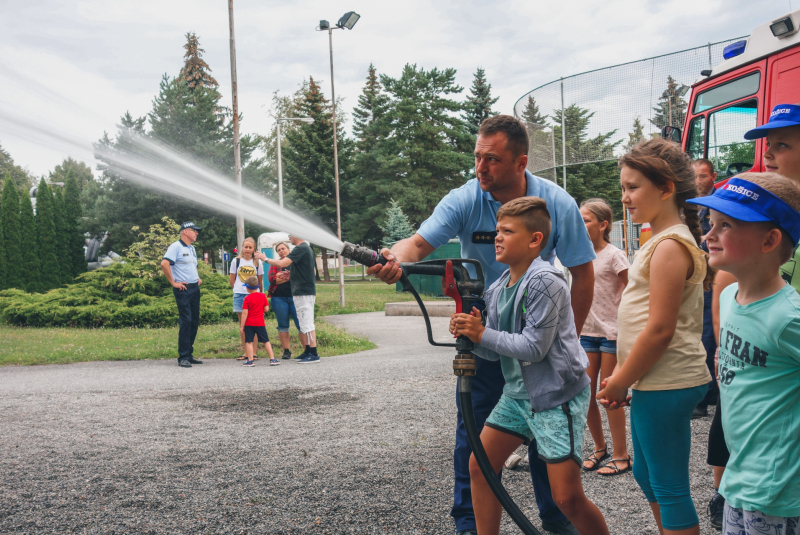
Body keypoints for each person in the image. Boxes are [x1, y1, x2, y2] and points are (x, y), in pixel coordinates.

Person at [368, 115, 596, 535]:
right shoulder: (464, 199)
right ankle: (469, 524)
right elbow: (417, 245)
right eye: (477, 157)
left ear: (520, 161)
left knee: (549, 441)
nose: (480, 168)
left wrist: (565, 343)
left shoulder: (556, 204)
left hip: (537, 336)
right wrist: (393, 260)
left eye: (492, 159)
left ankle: (557, 521)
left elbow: (583, 273)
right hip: (485, 331)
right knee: (473, 431)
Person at [450, 197, 609, 535]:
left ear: (535, 240)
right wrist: (474, 336)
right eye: (497, 231)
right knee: (480, 468)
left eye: (507, 231)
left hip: (555, 397)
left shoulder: (545, 281)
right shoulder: (497, 289)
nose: (497, 237)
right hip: (519, 395)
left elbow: (534, 348)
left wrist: (483, 334)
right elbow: (496, 354)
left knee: (567, 499)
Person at [596, 138, 712, 535]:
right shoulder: (657, 242)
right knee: (648, 476)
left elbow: (660, 330)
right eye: (623, 187)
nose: (625, 197)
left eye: (633, 187)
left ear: (666, 189)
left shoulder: (669, 246)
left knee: (668, 485)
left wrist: (623, 377)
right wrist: (632, 377)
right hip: (654, 380)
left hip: (669, 380)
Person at [702, 102, 800, 529]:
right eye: (710, 221)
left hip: (777, 488)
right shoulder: (729, 300)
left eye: (726, 225)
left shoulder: (788, 318)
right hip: (739, 478)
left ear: (769, 242)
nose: (708, 234)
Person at [578, 199, 631, 477]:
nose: (580, 224)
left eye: (585, 219)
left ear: (602, 225)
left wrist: (623, 316)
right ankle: (600, 448)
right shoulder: (579, 255)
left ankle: (622, 456)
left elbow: (633, 289)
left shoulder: (614, 255)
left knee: (608, 395)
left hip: (611, 335)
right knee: (584, 393)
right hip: (587, 334)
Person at [258, 235, 319, 364]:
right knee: (303, 321)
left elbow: (283, 263)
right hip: (301, 291)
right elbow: (308, 271)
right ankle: (307, 350)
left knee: (307, 322)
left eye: (291, 235)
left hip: (304, 292)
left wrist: (265, 259)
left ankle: (313, 353)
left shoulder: (301, 248)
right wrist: (291, 274)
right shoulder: (304, 248)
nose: (289, 237)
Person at [692, 158, 720, 419]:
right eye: (694, 176)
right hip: (696, 276)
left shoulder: (718, 202)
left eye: (702, 176)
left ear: (713, 176)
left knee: (709, 332)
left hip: (713, 276)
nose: (698, 181)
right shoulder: (689, 204)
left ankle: (704, 397)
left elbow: (719, 235)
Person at [161, 221, 204, 368]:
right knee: (186, 321)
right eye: (194, 230)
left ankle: (189, 354)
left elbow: (192, 266)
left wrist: (197, 278)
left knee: (193, 322)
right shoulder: (175, 247)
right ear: (185, 232)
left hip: (194, 288)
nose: (196, 233)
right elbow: (164, 264)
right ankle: (183, 357)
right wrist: (173, 283)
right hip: (183, 290)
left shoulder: (192, 249)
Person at [268, 242, 305, 360]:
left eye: (283, 248)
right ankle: (286, 351)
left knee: (301, 325)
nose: (281, 251)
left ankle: (307, 350)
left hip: (296, 297)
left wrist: (284, 277)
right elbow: (272, 280)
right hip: (278, 298)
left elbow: (301, 278)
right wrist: (289, 277)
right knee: (283, 325)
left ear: (289, 250)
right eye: (278, 250)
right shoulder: (275, 264)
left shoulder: (296, 262)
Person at [229, 237, 264, 360]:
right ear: (242, 248)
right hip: (240, 295)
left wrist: (260, 294)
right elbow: (232, 280)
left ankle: (253, 352)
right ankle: (246, 352)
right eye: (246, 247)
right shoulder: (236, 261)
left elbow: (260, 281)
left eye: (250, 247)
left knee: (253, 324)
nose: (248, 249)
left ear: (254, 249)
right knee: (243, 325)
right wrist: (239, 290)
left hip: (254, 296)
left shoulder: (257, 262)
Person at [239, 276, 277, 367]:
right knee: (266, 341)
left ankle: (250, 360)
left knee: (249, 341)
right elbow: (266, 309)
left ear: (247, 288)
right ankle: (272, 359)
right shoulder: (262, 296)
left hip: (249, 323)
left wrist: (242, 326)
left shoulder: (247, 298)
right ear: (257, 286)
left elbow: (244, 313)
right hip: (260, 323)